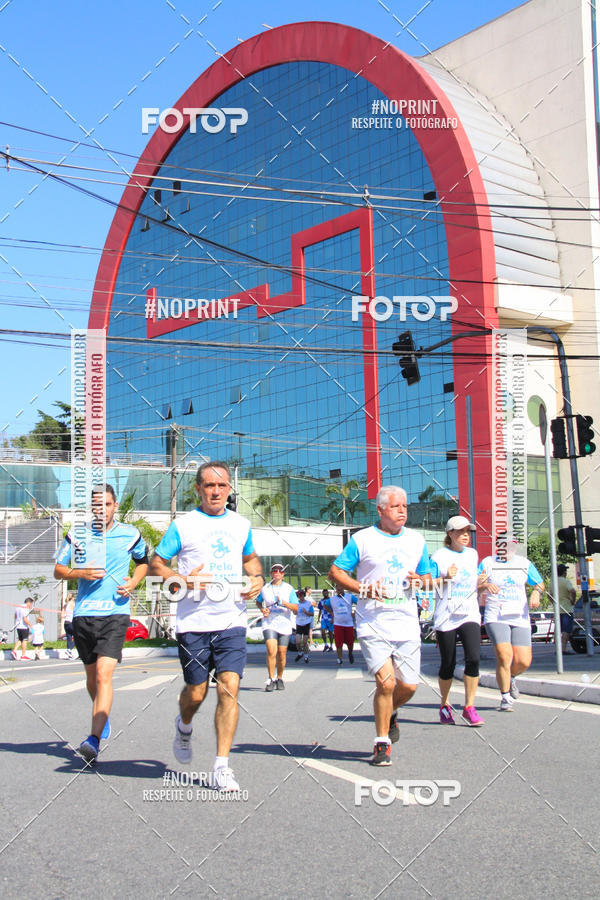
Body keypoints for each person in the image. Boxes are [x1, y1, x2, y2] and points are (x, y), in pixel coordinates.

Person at [150, 461, 264, 792]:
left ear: (229, 489)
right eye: (209, 485)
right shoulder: (183, 525)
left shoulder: (241, 525)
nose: (216, 491)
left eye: (221, 485)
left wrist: (257, 577)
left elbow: (250, 559)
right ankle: (184, 725)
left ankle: (221, 767)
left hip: (232, 620)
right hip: (193, 622)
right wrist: (183, 579)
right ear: (198, 489)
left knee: (230, 686)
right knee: (197, 692)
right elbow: (157, 565)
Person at [329, 485, 432, 766]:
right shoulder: (362, 540)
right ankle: (382, 743)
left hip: (406, 622)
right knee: (386, 682)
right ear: (381, 510)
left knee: (408, 687)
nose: (402, 511)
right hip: (373, 622)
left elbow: (427, 577)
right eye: (396, 506)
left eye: (405, 506)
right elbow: (336, 571)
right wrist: (362, 588)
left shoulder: (417, 540)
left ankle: (390, 712)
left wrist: (421, 581)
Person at [54, 484, 148, 763]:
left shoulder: (130, 534)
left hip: (116, 613)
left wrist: (133, 581)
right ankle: (101, 715)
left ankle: (93, 739)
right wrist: (81, 572)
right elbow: (58, 570)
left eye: (106, 504)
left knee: (105, 674)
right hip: (84, 614)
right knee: (92, 677)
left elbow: (143, 562)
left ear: (115, 506)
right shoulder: (77, 534)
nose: (102, 510)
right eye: (97, 505)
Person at [479, 535, 544, 711]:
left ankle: (510, 677)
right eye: (505, 545)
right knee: (504, 655)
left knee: (523, 661)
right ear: (498, 546)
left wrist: (536, 592)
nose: (509, 548)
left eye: (512, 545)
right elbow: (476, 584)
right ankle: (505, 697)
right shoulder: (487, 563)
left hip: (519, 616)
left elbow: (539, 583)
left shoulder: (524, 563)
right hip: (496, 616)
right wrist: (485, 585)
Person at [430, 516, 484, 727]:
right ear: (450, 533)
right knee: (448, 663)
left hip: (469, 613)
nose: (465, 535)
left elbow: (474, 581)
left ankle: (469, 707)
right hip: (447, 615)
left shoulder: (472, 554)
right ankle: (444, 704)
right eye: (461, 532)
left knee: (474, 658)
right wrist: (446, 578)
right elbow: (429, 584)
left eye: (468, 532)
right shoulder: (439, 556)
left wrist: (482, 583)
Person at [258, 563, 298, 690]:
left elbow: (296, 608)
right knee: (271, 651)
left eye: (280, 571)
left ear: (283, 574)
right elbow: (258, 602)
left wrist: (284, 603)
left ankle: (279, 678)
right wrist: (262, 609)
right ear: (271, 573)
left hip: (284, 624)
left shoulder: (289, 588)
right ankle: (271, 679)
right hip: (269, 623)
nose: (277, 572)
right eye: (275, 570)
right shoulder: (265, 588)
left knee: (282, 653)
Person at [330, 587, 356, 666]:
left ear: (343, 589)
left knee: (350, 643)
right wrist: (332, 613)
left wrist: (355, 612)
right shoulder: (332, 599)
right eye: (338, 589)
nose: (339, 591)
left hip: (348, 624)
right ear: (336, 590)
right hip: (338, 624)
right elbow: (325, 605)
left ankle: (350, 653)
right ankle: (340, 659)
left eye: (341, 589)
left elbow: (359, 603)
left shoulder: (350, 597)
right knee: (338, 643)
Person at [557, 564, 576, 654]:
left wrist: (553, 602)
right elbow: (573, 591)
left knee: (559, 630)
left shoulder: (553, 582)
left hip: (557, 610)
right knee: (566, 630)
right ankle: (563, 650)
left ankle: (558, 649)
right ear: (564, 572)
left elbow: (549, 594)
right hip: (567, 609)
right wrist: (573, 601)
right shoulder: (565, 581)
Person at [294, 589, 315, 663]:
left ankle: (306, 656)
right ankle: (300, 653)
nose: (300, 597)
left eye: (302, 595)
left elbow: (312, 613)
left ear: (304, 595)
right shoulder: (296, 603)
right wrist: (295, 612)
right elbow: (294, 612)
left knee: (305, 642)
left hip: (306, 623)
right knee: (297, 642)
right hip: (299, 623)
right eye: (299, 595)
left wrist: (306, 612)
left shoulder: (308, 603)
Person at [61, 593, 76, 659]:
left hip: (66, 623)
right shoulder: (73, 604)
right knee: (77, 637)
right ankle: (69, 649)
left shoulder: (65, 605)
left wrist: (66, 615)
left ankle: (69, 653)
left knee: (69, 638)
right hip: (71, 622)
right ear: (72, 598)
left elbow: (62, 615)